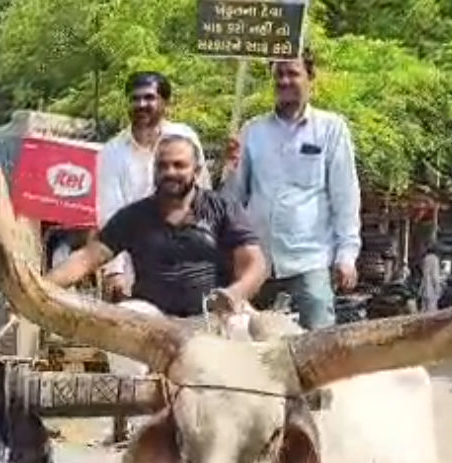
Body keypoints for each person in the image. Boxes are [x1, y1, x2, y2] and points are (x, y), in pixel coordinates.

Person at [49, 135, 266, 321]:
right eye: (163, 165)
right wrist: (41, 286)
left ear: (197, 170)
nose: (170, 172)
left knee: (244, 325)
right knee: (126, 314)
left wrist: (235, 294)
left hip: (212, 317)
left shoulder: (222, 209)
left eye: (179, 165)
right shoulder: (134, 216)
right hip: (152, 321)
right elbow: (88, 258)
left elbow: (255, 263)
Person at [227, 46, 361, 330]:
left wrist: (346, 255)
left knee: (318, 350)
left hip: (309, 261)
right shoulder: (252, 131)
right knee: (250, 350)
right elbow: (232, 199)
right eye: (278, 74)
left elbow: (345, 196)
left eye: (293, 73)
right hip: (258, 263)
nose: (284, 81)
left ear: (310, 77)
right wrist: (228, 166)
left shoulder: (331, 129)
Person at [94, 72, 207, 303]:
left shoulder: (185, 137)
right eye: (135, 99)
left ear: (165, 102)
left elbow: (204, 197)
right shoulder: (112, 152)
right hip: (134, 272)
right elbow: (108, 213)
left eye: (149, 98)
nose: (141, 105)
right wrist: (114, 272)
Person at [416, 238, 443, 312]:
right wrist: (437, 287)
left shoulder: (425, 258)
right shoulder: (434, 259)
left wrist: (421, 288)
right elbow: (434, 275)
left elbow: (425, 274)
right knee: (432, 310)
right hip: (431, 288)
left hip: (425, 287)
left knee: (423, 309)